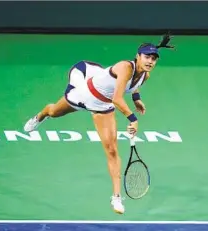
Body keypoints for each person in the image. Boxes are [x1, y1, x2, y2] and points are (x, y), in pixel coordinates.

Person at [23, 34, 175, 215]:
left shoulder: (145, 75)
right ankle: (40, 116)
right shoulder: (126, 67)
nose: (150, 61)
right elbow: (117, 98)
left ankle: (116, 197)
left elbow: (134, 86)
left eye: (153, 58)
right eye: (147, 57)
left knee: (112, 150)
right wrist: (132, 119)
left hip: (102, 105)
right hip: (83, 89)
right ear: (138, 56)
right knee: (54, 111)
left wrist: (136, 98)